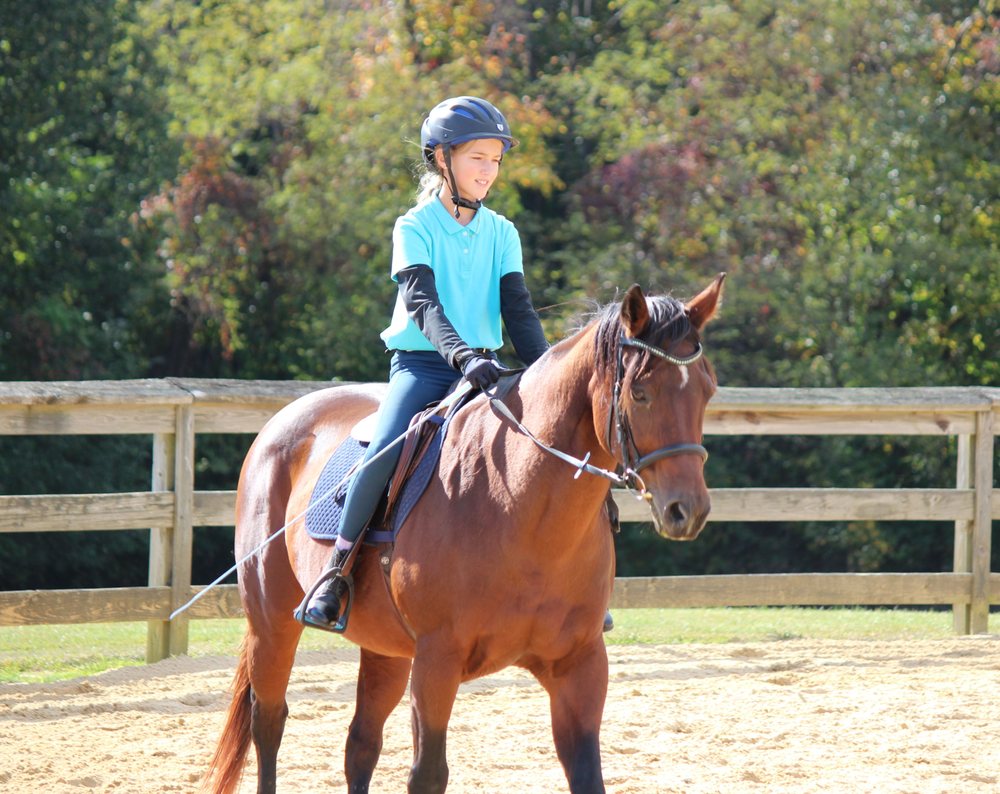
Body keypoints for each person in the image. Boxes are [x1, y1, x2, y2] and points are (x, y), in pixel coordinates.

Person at [301, 96, 549, 630]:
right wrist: (462, 357)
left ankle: (559, 581)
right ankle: (337, 570)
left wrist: (548, 373)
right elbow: (422, 304)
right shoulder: (413, 226)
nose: (488, 170)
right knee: (383, 452)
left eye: (495, 160)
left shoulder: (503, 232)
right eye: (477, 158)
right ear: (443, 159)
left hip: (487, 370)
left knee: (555, 443)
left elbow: (519, 312)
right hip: (424, 366)